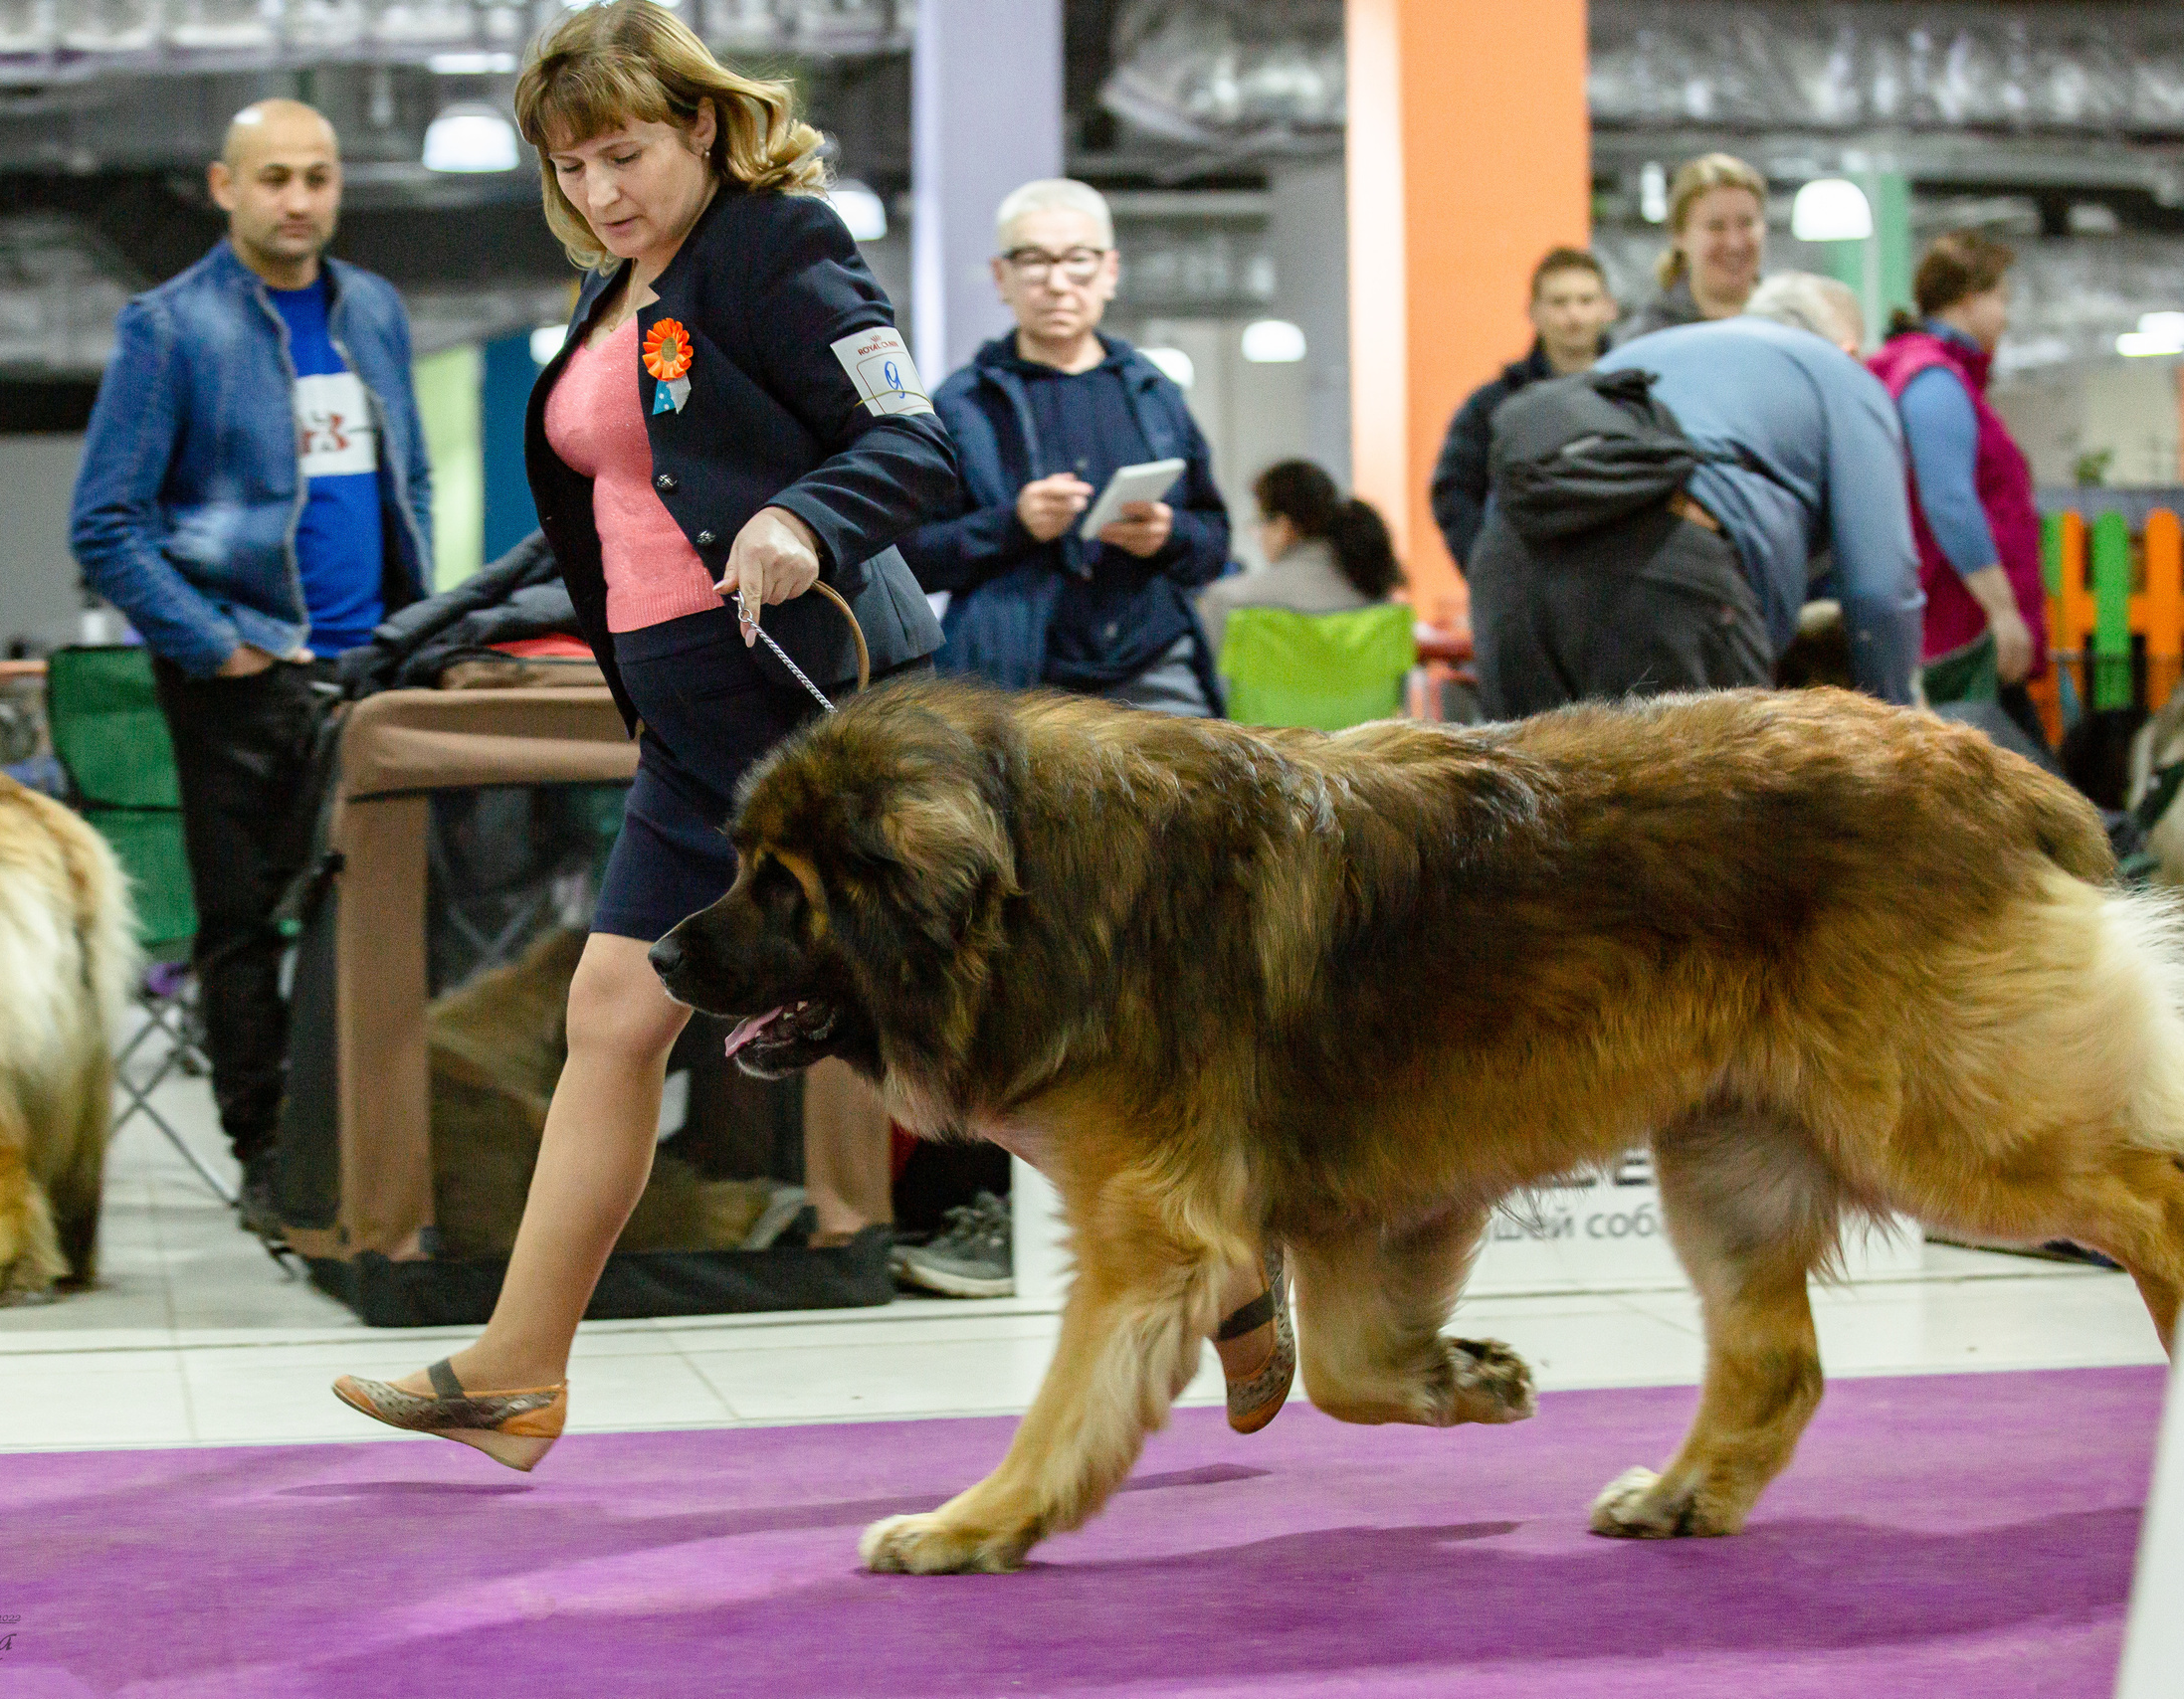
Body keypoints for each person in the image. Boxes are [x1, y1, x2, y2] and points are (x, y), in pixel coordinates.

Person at [328, 4, 1288, 1466]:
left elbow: (914, 444)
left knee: (954, 1066)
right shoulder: (618, 287)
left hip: (819, 716)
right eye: (571, 165)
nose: (598, 190)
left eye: (625, 152)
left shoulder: (781, 248)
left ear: (702, 126)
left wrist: (799, 517)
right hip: (695, 726)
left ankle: (1226, 1261)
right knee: (612, 1020)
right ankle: (518, 1375)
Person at [69, 98, 432, 1232]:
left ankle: (372, 1138)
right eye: (274, 177)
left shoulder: (371, 308)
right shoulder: (169, 328)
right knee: (241, 928)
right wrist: (216, 646)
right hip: (241, 671)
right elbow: (106, 525)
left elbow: (404, 481)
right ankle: (266, 1154)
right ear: (224, 187)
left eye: (318, 177)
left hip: (372, 670)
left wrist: (419, 628)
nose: (299, 200)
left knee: (383, 921)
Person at [1469, 272, 1922, 718]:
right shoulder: (1839, 372)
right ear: (1849, 349)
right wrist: (1899, 739)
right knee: (1707, 791)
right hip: (1665, 562)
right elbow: (1880, 589)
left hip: (1505, 565)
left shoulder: (1638, 355)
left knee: (1539, 788)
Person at [898, 178, 1234, 717]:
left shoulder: (1151, 390)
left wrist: (1167, 535)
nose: (1057, 283)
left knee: (1196, 799)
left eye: (1078, 259)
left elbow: (1215, 542)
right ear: (1001, 277)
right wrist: (1015, 525)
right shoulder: (964, 402)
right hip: (1012, 676)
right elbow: (910, 559)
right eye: (1034, 260)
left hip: (1153, 661)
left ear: (1110, 272)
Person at [1862, 233, 2050, 744]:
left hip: (1939, 619)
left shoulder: (1916, 369)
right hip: (1953, 629)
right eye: (2001, 300)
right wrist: (2003, 610)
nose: (2006, 317)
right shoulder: (1934, 381)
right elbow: (1949, 501)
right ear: (1968, 297)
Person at [1431, 247, 1618, 572]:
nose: (1573, 315)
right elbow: (1453, 489)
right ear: (1533, 312)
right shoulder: (1492, 406)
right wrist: (1489, 568)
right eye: (1559, 302)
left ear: (1608, 308)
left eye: (1586, 301)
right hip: (1525, 592)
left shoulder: (1634, 396)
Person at [1197, 460, 1401, 653]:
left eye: (1259, 523)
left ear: (1283, 527)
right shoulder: (1378, 598)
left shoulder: (1229, 602)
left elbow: (1213, 686)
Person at [1615, 153, 1767, 344]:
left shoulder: (1791, 325)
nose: (1734, 243)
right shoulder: (1646, 339)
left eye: (1746, 223)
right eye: (1716, 226)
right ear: (1679, 236)